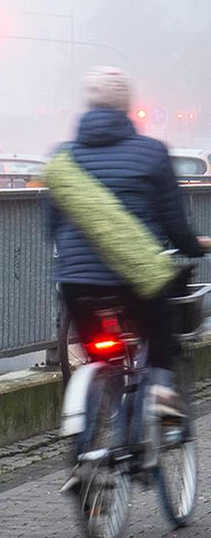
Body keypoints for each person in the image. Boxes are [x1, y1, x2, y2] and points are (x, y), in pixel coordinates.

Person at [45, 66, 208, 378]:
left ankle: (93, 398)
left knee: (102, 361)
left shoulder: (62, 159)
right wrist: (193, 246)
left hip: (76, 285)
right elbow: (174, 224)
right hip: (135, 282)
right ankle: (164, 403)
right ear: (126, 106)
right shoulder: (152, 152)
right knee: (161, 343)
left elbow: (51, 227)